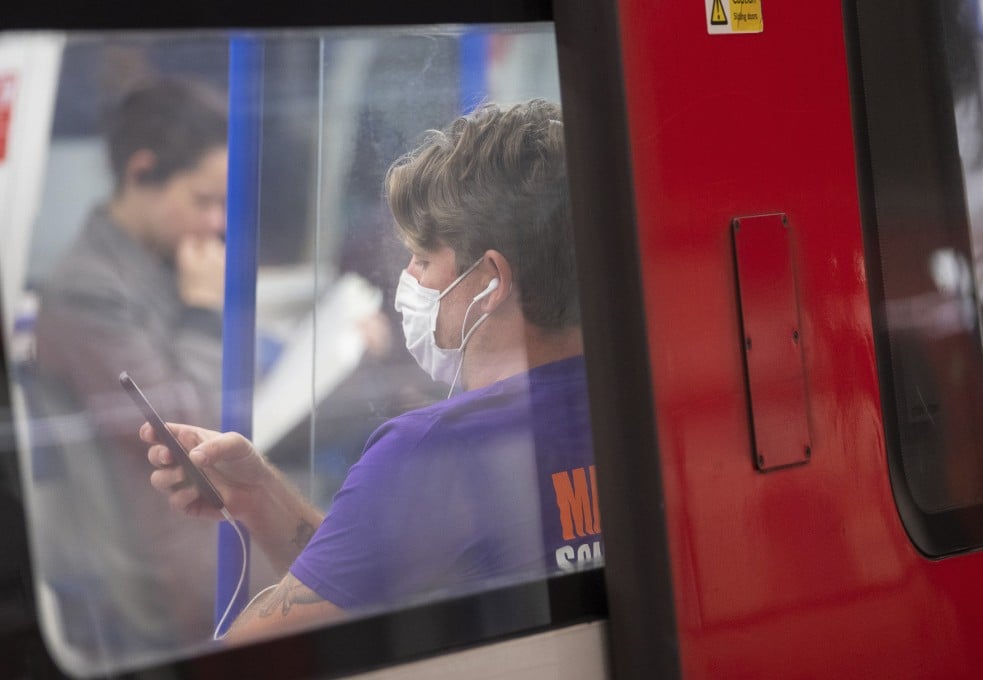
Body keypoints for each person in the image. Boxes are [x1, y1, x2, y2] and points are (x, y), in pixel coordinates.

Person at [143, 99, 602, 643]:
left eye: (424, 261)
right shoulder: (632, 409)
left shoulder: (430, 454)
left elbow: (245, 657)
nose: (408, 278)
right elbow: (372, 576)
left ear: (490, 283)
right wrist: (260, 495)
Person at [31, 76, 235, 655]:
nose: (216, 223)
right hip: (161, 564)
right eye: (203, 200)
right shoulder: (87, 291)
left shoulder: (165, 258)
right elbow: (182, 425)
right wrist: (202, 313)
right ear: (141, 172)